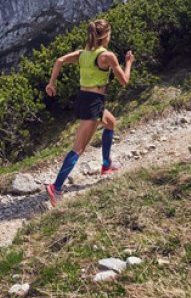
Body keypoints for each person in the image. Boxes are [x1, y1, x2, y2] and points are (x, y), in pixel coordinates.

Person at [44, 19, 134, 207]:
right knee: (79, 147)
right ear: (106, 36)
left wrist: (52, 83)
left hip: (84, 98)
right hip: (93, 103)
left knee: (111, 123)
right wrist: (128, 63)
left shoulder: (83, 54)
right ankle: (56, 187)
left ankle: (106, 165)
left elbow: (59, 60)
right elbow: (124, 81)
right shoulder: (106, 56)